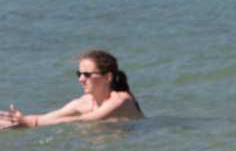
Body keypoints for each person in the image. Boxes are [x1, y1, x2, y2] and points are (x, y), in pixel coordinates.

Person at [1, 49, 143, 130]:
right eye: (79, 74)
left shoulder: (120, 100)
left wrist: (29, 122)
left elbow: (85, 119)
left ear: (108, 77)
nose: (81, 79)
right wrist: (17, 121)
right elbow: (43, 119)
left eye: (87, 75)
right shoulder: (83, 103)